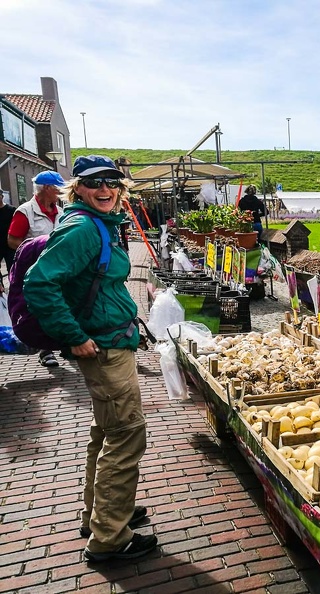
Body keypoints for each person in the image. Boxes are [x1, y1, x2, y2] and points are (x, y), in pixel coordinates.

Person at [24, 155, 156, 563]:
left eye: (112, 183)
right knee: (127, 434)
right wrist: (74, 336)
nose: (105, 189)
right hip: (102, 347)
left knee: (107, 431)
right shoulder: (82, 228)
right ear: (77, 188)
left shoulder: (97, 223)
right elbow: (40, 284)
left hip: (111, 341)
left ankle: (101, 514)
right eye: (94, 183)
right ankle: (110, 538)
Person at [8, 170, 65, 367]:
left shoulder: (62, 212)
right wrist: (35, 252)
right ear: (47, 188)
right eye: (58, 188)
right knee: (39, 308)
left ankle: (66, 342)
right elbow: (13, 240)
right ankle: (45, 350)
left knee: (62, 303)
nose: (61, 192)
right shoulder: (25, 212)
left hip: (59, 269)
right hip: (35, 271)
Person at [0, 193, 15, 281]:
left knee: (12, 268)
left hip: (9, 244)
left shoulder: (11, 210)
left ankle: (13, 287)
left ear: (2, 196)